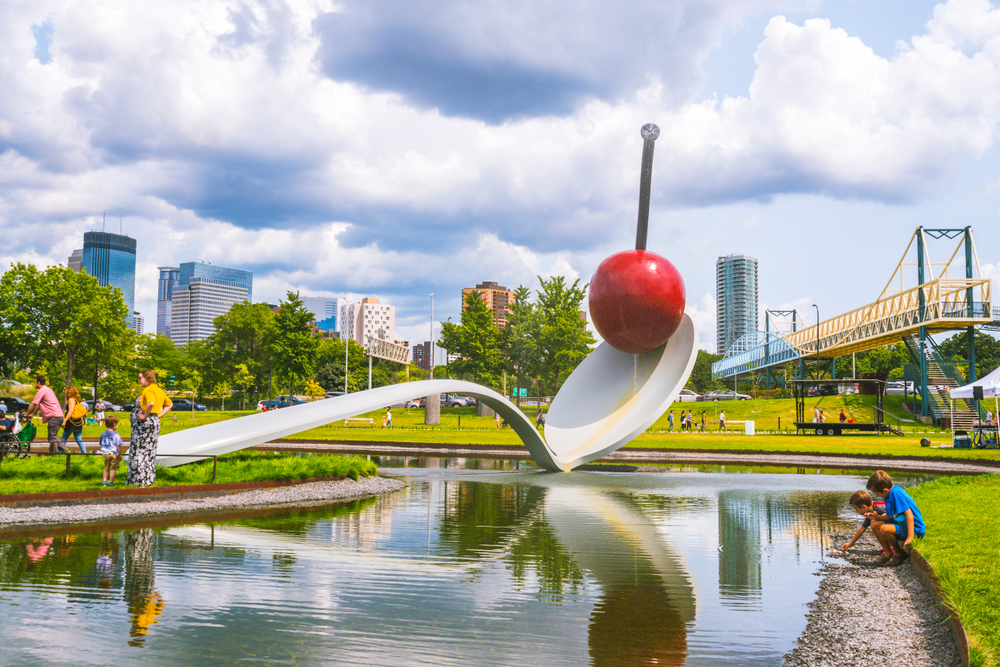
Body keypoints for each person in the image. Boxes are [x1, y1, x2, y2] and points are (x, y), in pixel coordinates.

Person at [866, 470, 926, 566]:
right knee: (874, 523)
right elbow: (890, 516)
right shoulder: (888, 495)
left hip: (914, 528)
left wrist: (910, 536)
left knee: (884, 528)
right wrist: (876, 517)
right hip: (902, 524)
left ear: (885, 490)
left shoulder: (896, 494)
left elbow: (909, 514)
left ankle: (899, 554)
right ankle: (888, 553)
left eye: (877, 494)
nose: (877, 496)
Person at [127, 369, 173, 487]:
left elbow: (150, 403)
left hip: (144, 425)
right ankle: (148, 479)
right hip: (153, 422)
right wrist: (158, 416)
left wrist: (144, 416)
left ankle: (138, 480)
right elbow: (169, 404)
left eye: (140, 377)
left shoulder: (148, 389)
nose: (139, 380)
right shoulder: (159, 390)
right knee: (149, 451)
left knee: (138, 451)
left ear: (148, 378)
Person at [25, 375, 65, 454]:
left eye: (35, 382)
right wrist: (32, 414)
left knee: (51, 438)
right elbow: (39, 404)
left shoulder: (41, 390)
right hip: (58, 415)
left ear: (38, 382)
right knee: (53, 436)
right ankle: (65, 450)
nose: (34, 384)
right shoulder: (48, 390)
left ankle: (54, 455)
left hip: (54, 416)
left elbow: (33, 404)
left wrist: (26, 414)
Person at [839, 490, 887, 555]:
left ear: (864, 507)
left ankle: (890, 548)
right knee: (875, 522)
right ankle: (887, 547)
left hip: (900, 525)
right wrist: (850, 543)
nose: (856, 512)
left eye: (856, 509)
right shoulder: (870, 512)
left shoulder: (879, 508)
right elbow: (862, 528)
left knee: (875, 523)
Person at [61, 386, 88, 454]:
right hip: (78, 422)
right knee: (78, 438)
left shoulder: (71, 400)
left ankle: (60, 452)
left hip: (71, 422)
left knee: (64, 438)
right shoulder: (76, 400)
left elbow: (71, 411)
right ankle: (84, 452)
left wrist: (64, 421)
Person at [100, 415, 124, 487]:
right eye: (117, 424)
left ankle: (104, 482)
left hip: (105, 453)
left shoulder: (102, 434)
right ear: (114, 425)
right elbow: (119, 446)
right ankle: (111, 483)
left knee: (106, 468)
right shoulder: (116, 435)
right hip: (113, 453)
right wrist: (120, 454)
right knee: (113, 469)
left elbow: (101, 443)